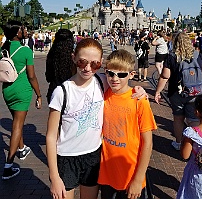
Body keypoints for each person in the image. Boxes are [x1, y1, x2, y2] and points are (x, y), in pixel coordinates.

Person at [46, 38, 146, 199]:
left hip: (93, 155)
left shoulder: (102, 81)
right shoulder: (62, 92)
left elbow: (122, 82)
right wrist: (54, 176)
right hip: (67, 157)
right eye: (82, 62)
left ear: (100, 64)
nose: (87, 68)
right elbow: (51, 136)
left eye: (94, 64)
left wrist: (139, 90)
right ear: (73, 58)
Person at [98, 49, 157, 199]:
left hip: (130, 174)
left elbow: (148, 143)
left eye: (122, 74)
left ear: (131, 74)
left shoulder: (139, 100)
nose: (115, 78)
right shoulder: (103, 94)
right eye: (110, 73)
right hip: (107, 174)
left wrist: (138, 179)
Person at [1, 21, 42, 180]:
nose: (25, 31)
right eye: (22, 29)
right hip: (22, 90)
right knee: (17, 125)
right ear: (17, 33)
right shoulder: (25, 50)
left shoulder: (3, 49)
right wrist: (38, 94)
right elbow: (31, 76)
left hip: (7, 90)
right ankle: (8, 166)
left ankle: (22, 148)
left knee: (16, 121)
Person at [154, 32, 202, 150]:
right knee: (194, 119)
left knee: (178, 118)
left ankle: (179, 143)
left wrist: (158, 91)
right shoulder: (197, 55)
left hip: (176, 93)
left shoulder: (172, 56)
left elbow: (165, 76)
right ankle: (195, 144)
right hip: (195, 93)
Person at [45, 29, 75, 104]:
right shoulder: (74, 56)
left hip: (54, 89)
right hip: (71, 91)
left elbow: (48, 77)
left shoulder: (52, 54)